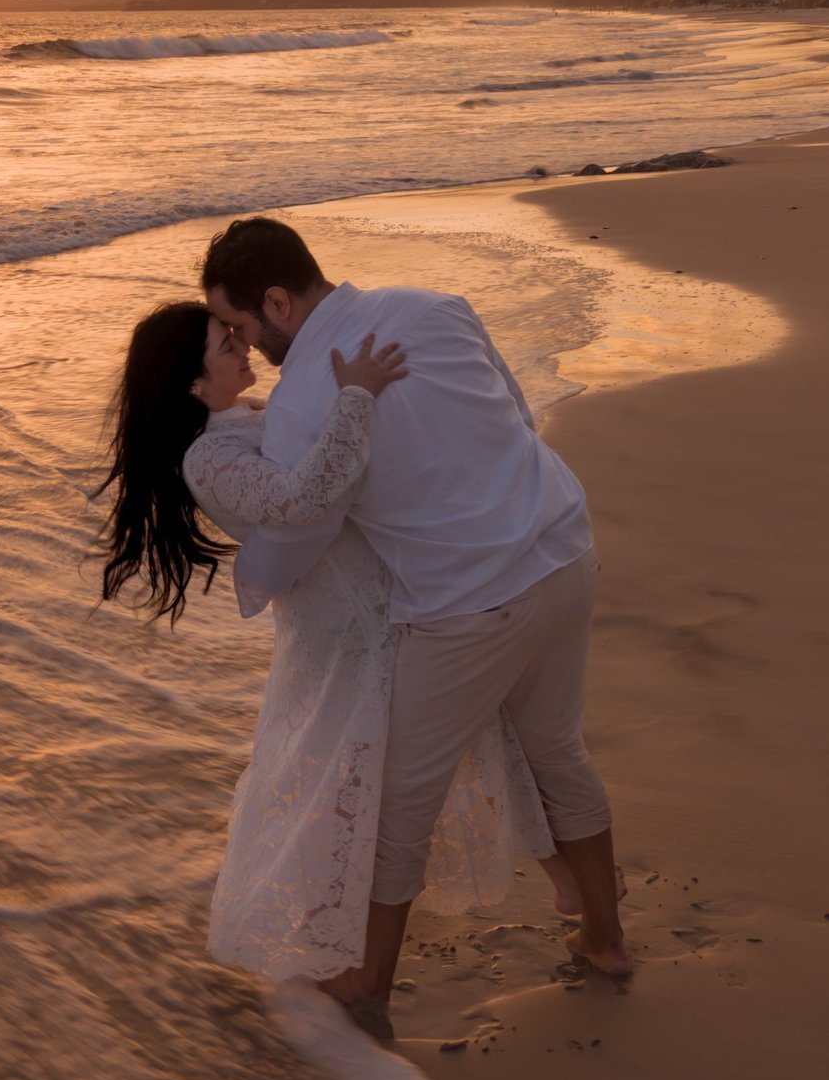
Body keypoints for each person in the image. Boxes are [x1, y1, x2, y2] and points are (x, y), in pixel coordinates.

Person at [98, 300, 569, 1029]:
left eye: (236, 332)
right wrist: (356, 394)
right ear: (193, 382)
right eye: (226, 343)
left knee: (453, 748)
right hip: (341, 633)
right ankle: (344, 966)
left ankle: (557, 887)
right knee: (347, 786)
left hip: (382, 608)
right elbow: (301, 498)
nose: (243, 346)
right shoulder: (208, 457)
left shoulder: (249, 419)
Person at [199, 217, 631, 990]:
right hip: (565, 549)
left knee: (393, 805)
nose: (245, 344)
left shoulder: (300, 405)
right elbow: (516, 413)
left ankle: (364, 991)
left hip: (469, 606)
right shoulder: (434, 305)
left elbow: (304, 534)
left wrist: (255, 575)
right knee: (559, 753)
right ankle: (605, 939)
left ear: (277, 301)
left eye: (241, 324)